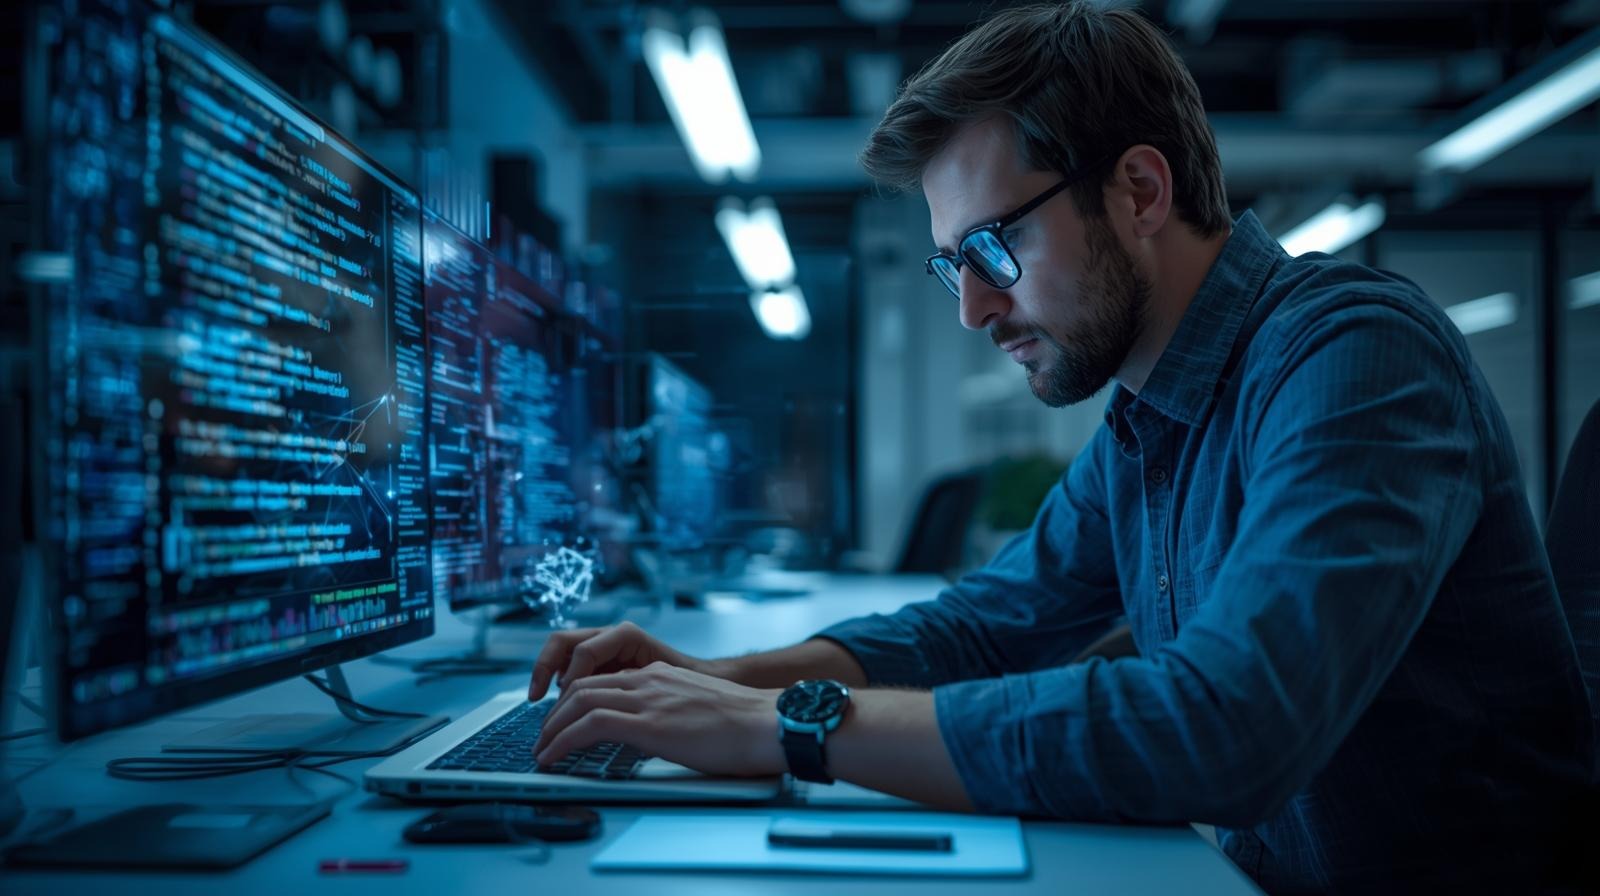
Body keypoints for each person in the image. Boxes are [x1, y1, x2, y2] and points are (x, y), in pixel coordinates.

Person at [529, 3, 1597, 892]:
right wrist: (714, 681)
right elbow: (978, 629)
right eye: (953, 266)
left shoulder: (1357, 356)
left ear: (1139, 192)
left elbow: (1227, 724)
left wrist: (788, 724)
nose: (973, 308)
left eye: (994, 247)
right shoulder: (1148, 417)